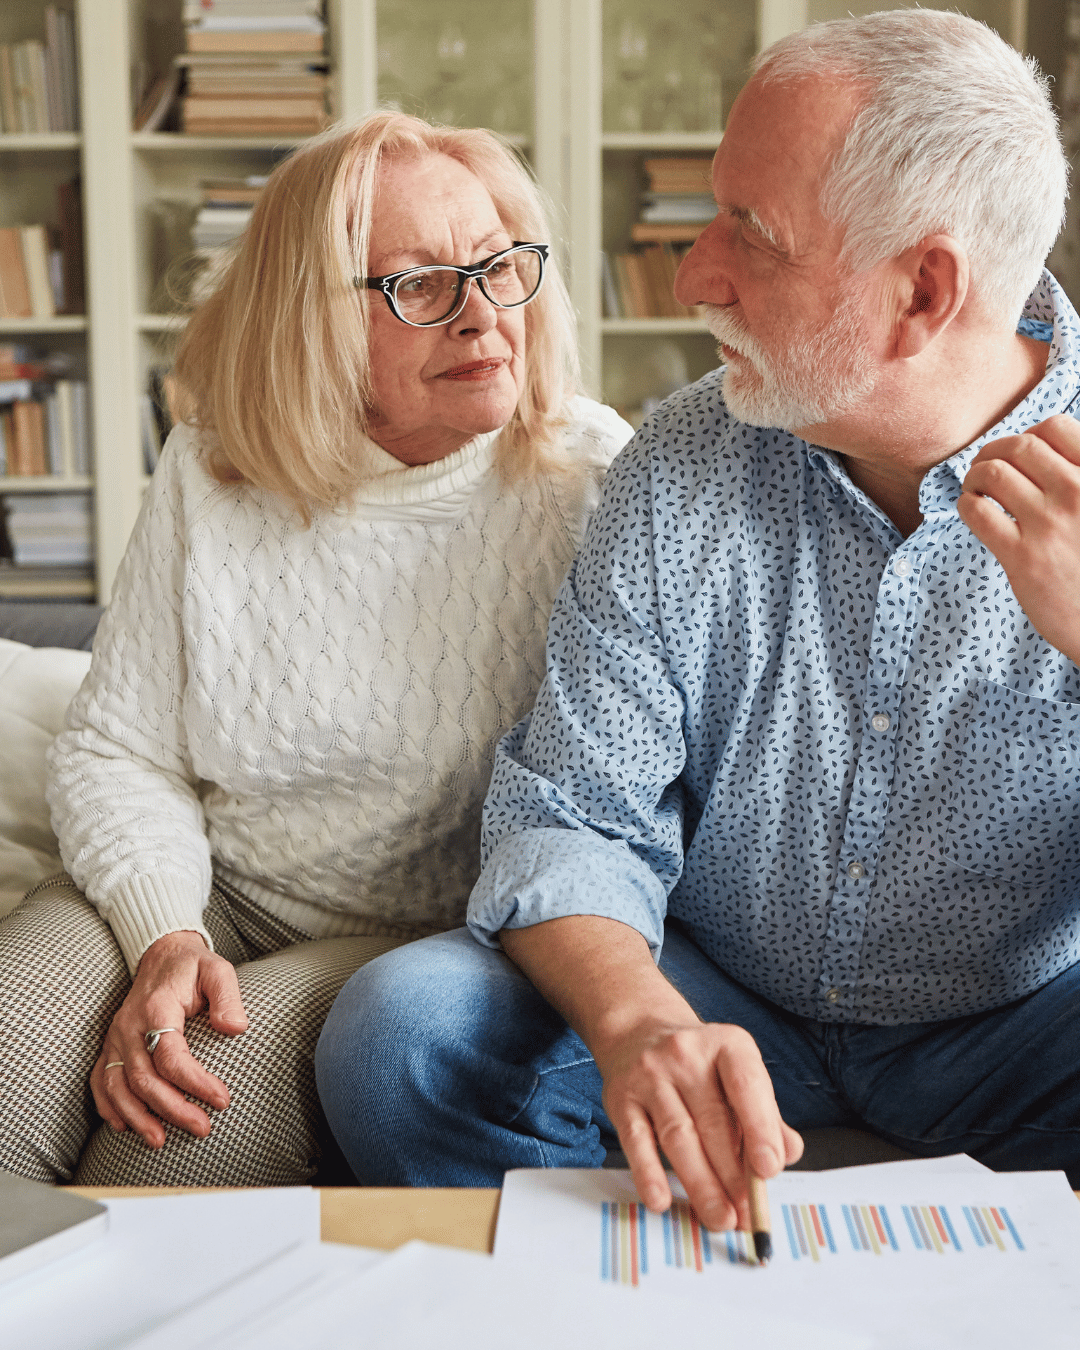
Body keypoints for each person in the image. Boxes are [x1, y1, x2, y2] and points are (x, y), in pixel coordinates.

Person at [315, 8, 1080, 1230]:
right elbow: (570, 812)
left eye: (753, 237)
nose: (691, 278)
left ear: (924, 290)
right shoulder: (679, 462)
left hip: (1020, 1030)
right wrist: (638, 1023)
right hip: (718, 988)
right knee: (400, 1037)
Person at [0, 111, 630, 1188]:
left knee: (161, 1152)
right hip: (206, 888)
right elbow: (122, 750)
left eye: (499, 267)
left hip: (409, 939)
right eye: (420, 283)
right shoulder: (212, 468)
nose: (484, 317)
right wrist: (166, 937)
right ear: (314, 319)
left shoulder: (590, 477)